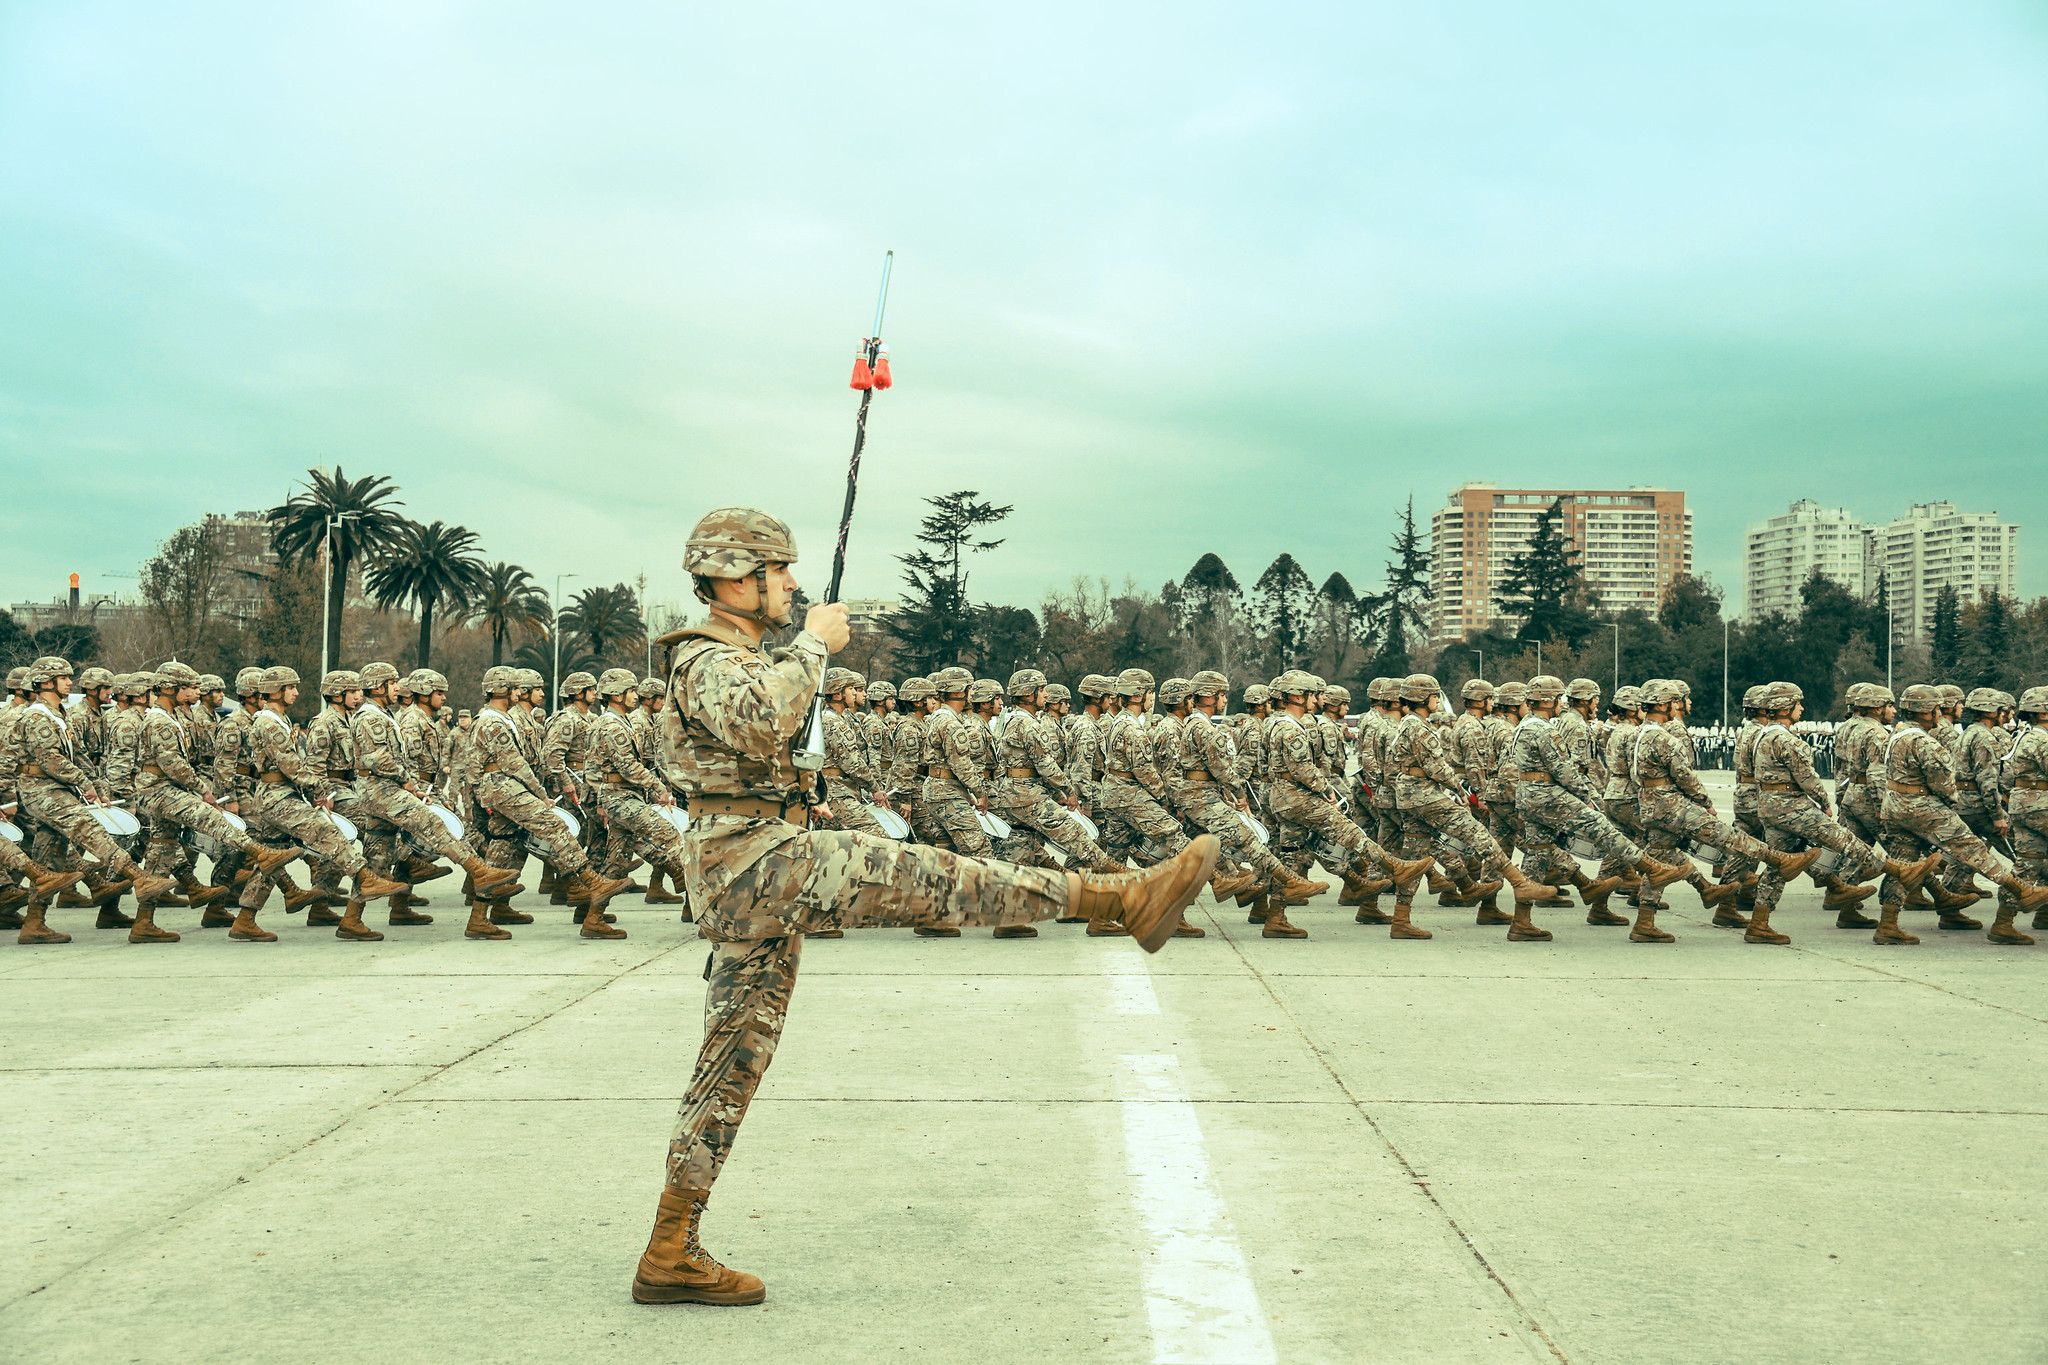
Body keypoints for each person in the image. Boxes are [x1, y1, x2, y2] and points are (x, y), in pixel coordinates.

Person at [631, 507, 1216, 1307]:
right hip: (752, 862)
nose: (795, 584)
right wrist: (813, 644)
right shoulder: (704, 656)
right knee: (937, 876)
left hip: (757, 857)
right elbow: (760, 715)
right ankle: (1118, 899)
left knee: (731, 1065)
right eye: (781, 571)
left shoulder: (744, 655)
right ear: (737, 578)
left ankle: (670, 1247)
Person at [1508, 675, 1693, 943]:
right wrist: (1590, 797)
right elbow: (1564, 770)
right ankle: (1652, 867)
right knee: (1602, 828)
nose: (1562, 702)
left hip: (1530, 794)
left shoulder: (1526, 725)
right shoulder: (1545, 730)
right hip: (1548, 795)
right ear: (1547, 700)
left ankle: (1521, 922)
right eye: (1558, 698)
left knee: (1536, 854)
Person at [239, 666, 409, 942]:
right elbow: (292, 765)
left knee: (271, 861)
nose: (296, 692)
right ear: (276, 691)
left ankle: (245, 919)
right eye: (291, 687)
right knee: (327, 831)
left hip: (281, 793)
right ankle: (364, 876)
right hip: (277, 796)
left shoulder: (276, 719)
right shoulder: (269, 723)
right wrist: (319, 789)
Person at [1878, 683, 2048, 945]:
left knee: (1903, 865)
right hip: (1924, 808)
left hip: (1896, 806)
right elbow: (1944, 783)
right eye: (1935, 708)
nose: (1939, 712)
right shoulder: (1924, 741)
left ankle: (1888, 924)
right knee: (1975, 850)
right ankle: (2021, 890)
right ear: (1926, 711)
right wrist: (1950, 801)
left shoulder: (1898, 735)